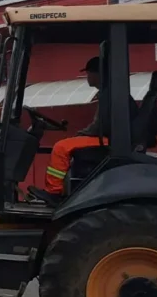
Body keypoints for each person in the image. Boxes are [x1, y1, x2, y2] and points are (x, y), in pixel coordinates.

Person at [44, 56, 138, 194]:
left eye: (89, 73)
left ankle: (54, 192)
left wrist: (82, 133)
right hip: (113, 137)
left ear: (98, 74)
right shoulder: (111, 92)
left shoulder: (109, 95)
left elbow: (99, 126)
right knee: (68, 144)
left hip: (111, 140)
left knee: (61, 147)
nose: (87, 77)